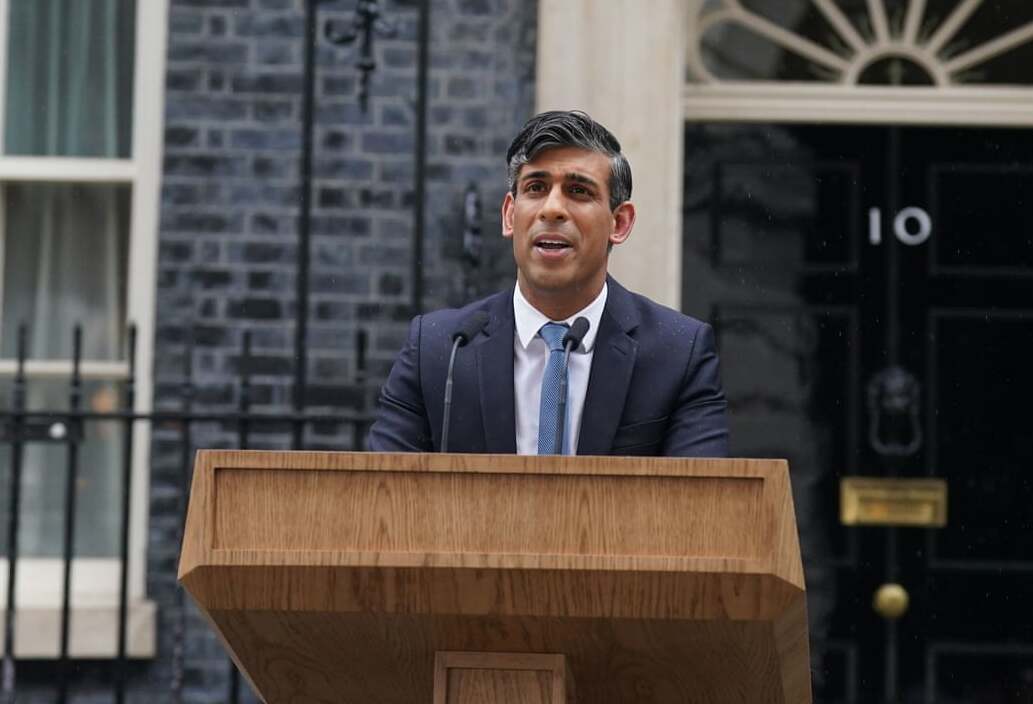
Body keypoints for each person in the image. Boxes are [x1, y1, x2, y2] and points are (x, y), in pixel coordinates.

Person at [367, 110, 728, 456]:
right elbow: (384, 498)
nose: (552, 209)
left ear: (619, 223)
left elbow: (702, 507)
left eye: (579, 191)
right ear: (510, 215)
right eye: (536, 187)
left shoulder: (679, 354)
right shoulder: (439, 351)